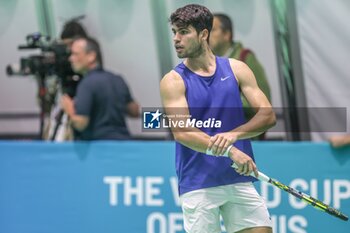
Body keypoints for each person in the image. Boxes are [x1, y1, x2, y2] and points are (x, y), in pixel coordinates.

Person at [160, 4, 276, 233]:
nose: (176, 38)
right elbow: (182, 132)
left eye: (183, 32)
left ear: (204, 34)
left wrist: (234, 135)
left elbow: (268, 115)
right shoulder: (173, 81)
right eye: (174, 32)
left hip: (238, 177)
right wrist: (230, 150)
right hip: (199, 183)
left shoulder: (237, 69)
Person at [61, 37, 140, 140]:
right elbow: (135, 111)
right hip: (125, 145)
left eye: (75, 54)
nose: (71, 59)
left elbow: (81, 124)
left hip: (101, 148)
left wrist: (69, 110)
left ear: (91, 56)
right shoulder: (117, 79)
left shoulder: (87, 84)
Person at [209, 13, 271, 131]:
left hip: (246, 134)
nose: (207, 36)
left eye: (213, 30)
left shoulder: (245, 58)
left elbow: (264, 101)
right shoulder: (206, 64)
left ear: (227, 34)